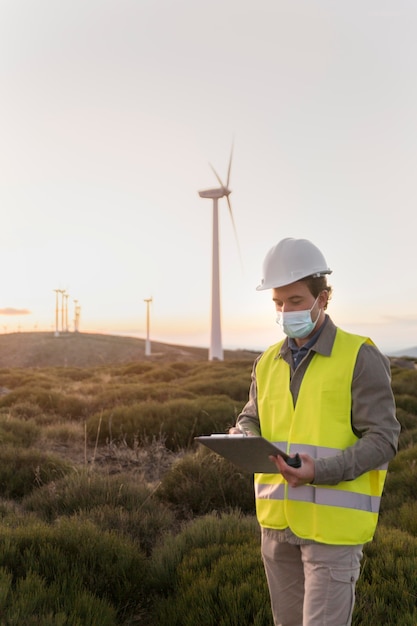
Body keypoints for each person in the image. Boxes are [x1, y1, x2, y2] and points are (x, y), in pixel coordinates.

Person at [231, 237, 400, 626]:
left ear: (323, 298)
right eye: (277, 302)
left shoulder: (360, 356)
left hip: (332, 532)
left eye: (294, 301)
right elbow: (251, 415)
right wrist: (242, 433)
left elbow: (383, 439)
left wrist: (319, 471)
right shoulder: (266, 362)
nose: (285, 311)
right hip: (276, 526)